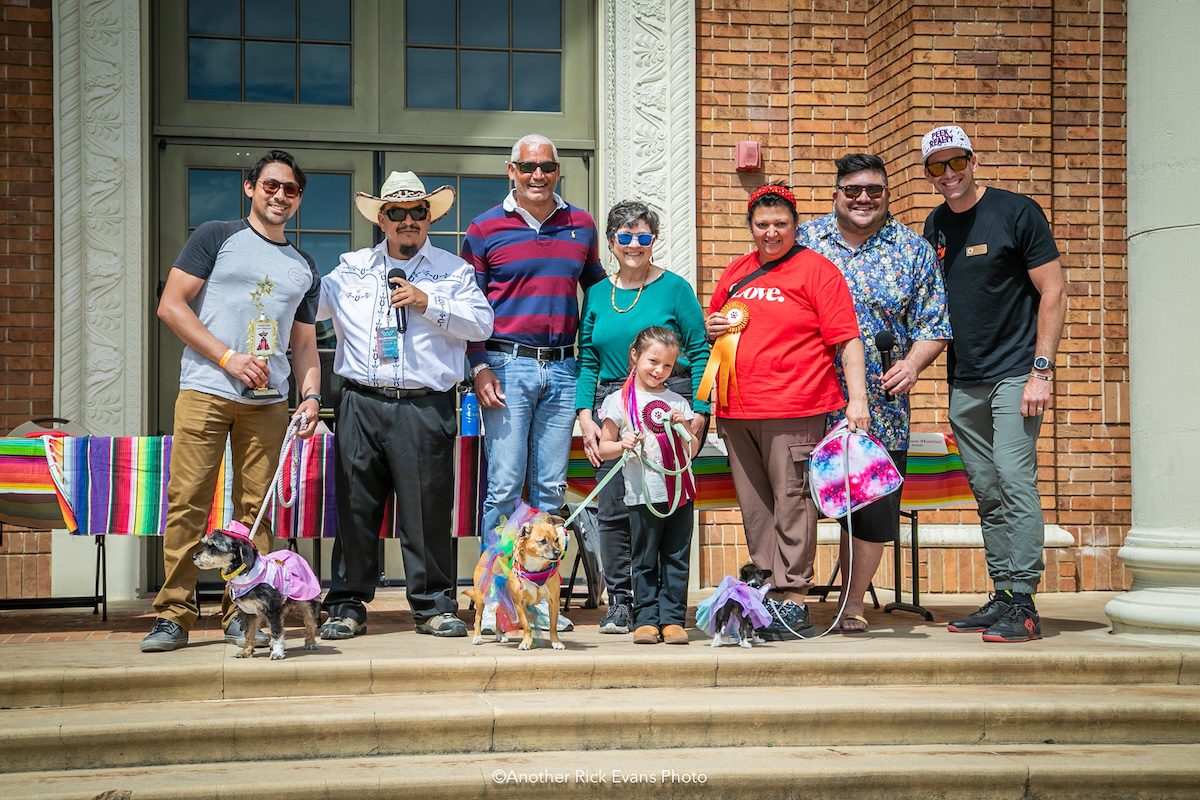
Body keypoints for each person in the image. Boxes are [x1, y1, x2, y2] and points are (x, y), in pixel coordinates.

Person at [141, 150, 321, 653]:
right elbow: (171, 306)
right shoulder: (216, 237)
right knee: (187, 503)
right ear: (250, 187)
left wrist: (309, 396)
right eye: (270, 185)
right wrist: (227, 358)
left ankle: (243, 616)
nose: (279, 195)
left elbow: (303, 344)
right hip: (206, 389)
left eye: (290, 189)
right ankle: (174, 613)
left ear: (299, 198)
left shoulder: (304, 265)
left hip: (268, 402)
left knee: (254, 512)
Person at [317, 171, 494, 639]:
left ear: (429, 218)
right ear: (382, 219)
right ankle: (346, 604)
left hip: (424, 405)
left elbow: (482, 324)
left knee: (427, 510)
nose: (409, 220)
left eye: (418, 211)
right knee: (355, 508)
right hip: (360, 402)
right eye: (397, 212)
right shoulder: (350, 267)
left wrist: (427, 301)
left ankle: (434, 605)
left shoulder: (453, 271)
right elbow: (306, 307)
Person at [920, 125, 1067, 643]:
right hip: (966, 379)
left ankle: (1024, 603)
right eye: (936, 166)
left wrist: (1041, 372)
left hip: (1015, 374)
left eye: (956, 161)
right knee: (985, 489)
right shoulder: (935, 225)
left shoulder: (1016, 211)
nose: (949, 174)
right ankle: (1003, 591)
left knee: (1013, 478)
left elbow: (1054, 292)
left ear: (972, 159)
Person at [704, 182, 869, 641]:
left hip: (796, 406)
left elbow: (847, 339)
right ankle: (764, 585)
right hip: (737, 410)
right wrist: (713, 325)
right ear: (750, 227)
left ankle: (793, 594)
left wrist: (858, 400)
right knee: (755, 506)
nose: (771, 232)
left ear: (796, 226)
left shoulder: (817, 270)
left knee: (793, 500)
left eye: (781, 224)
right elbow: (716, 330)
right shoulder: (737, 271)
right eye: (762, 225)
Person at [797, 153, 952, 633]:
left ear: (887, 194)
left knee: (869, 506)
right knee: (796, 501)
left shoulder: (913, 250)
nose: (863, 199)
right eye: (853, 190)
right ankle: (790, 598)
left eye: (874, 191)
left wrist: (912, 363)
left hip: (880, 406)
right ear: (836, 193)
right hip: (806, 394)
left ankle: (853, 603)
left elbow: (935, 324)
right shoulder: (804, 242)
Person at [462, 133, 605, 631]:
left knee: (549, 489)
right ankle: (495, 602)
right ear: (511, 171)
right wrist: (478, 367)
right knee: (503, 488)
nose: (537, 176)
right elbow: (469, 308)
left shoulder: (581, 225)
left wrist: (597, 358)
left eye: (546, 167)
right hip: (506, 366)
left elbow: (601, 295)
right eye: (528, 167)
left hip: (564, 368)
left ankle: (539, 606)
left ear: (558, 170)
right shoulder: (483, 229)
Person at [576, 200, 710, 635]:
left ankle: (667, 612)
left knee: (663, 504)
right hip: (611, 402)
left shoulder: (675, 289)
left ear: (654, 241)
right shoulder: (597, 293)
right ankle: (621, 602)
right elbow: (588, 359)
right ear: (611, 243)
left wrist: (702, 413)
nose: (635, 245)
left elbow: (701, 349)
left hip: (666, 402)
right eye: (625, 237)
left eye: (644, 236)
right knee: (614, 509)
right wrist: (585, 415)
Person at [597, 327, 701, 645]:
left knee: (676, 556)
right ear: (635, 356)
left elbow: (691, 449)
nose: (659, 371)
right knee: (643, 557)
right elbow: (604, 449)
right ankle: (646, 619)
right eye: (653, 361)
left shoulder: (678, 402)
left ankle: (672, 619)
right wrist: (623, 443)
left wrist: (683, 425)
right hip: (643, 494)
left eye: (667, 366)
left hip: (680, 493)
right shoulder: (618, 401)